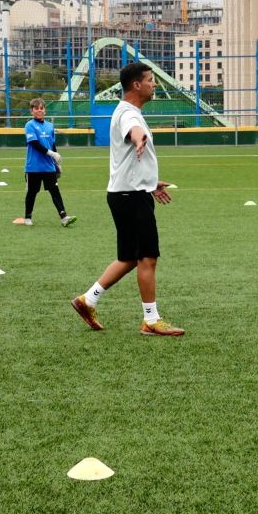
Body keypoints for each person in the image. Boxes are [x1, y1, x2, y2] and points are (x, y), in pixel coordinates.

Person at [71, 62, 183, 335]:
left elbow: (130, 158)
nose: (154, 84)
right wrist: (139, 138)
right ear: (136, 85)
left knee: (130, 257)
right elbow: (134, 131)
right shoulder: (128, 114)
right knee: (147, 257)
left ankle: (88, 299)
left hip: (126, 193)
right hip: (131, 197)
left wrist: (151, 182)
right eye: (150, 80)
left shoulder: (127, 112)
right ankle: (151, 320)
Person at [14, 98, 73, 227]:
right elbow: (34, 144)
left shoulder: (50, 126)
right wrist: (51, 154)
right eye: (36, 108)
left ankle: (64, 217)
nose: (39, 111)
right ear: (32, 111)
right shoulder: (29, 125)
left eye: (41, 108)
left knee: (55, 190)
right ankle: (28, 217)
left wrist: (57, 162)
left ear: (45, 110)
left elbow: (52, 145)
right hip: (33, 167)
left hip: (48, 167)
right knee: (32, 192)